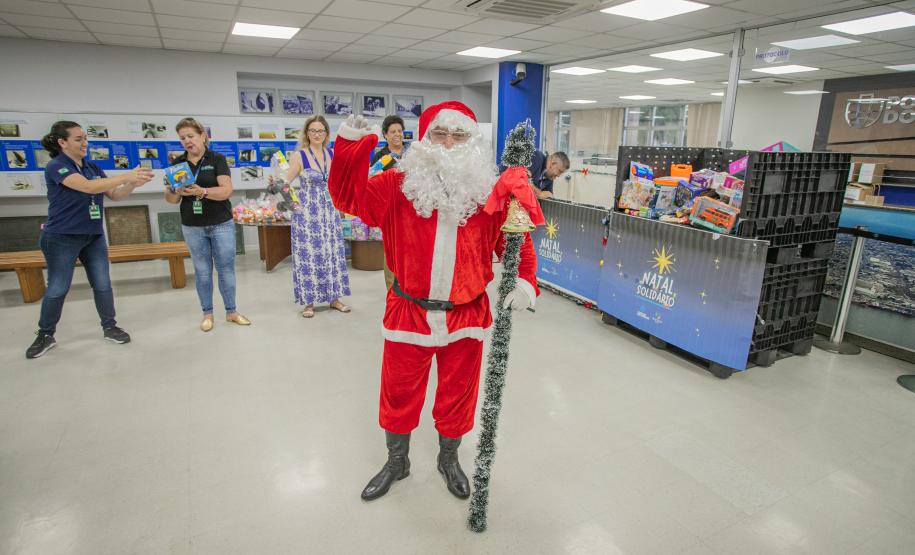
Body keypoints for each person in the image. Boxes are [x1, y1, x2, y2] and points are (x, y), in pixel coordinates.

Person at [328, 101, 539, 501]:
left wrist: (526, 282)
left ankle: (448, 459)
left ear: (472, 142)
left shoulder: (491, 196)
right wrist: (352, 146)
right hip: (409, 312)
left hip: (467, 316)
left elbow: (519, 243)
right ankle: (397, 461)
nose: (448, 144)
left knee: (458, 396)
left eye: (459, 136)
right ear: (424, 140)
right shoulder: (396, 186)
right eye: (439, 134)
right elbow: (346, 198)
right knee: (399, 394)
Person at [25, 121, 154, 359]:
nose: (84, 143)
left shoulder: (92, 167)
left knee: (103, 284)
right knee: (57, 288)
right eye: (78, 139)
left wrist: (132, 184)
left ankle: (110, 326)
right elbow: (87, 187)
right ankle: (45, 334)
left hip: (92, 235)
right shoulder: (56, 166)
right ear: (62, 142)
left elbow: (115, 195)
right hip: (61, 237)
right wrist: (126, 175)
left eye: (85, 138)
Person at [164, 117, 250, 332]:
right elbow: (172, 200)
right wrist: (174, 191)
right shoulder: (177, 164)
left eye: (190, 136)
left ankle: (231, 312)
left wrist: (202, 192)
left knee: (225, 269)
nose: (187, 141)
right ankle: (207, 314)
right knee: (202, 271)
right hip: (192, 225)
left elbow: (226, 191)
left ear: (203, 136)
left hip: (221, 223)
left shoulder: (217, 159)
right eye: (182, 138)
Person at [278, 115, 350, 318]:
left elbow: (340, 182)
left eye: (321, 130)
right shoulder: (299, 156)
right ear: (307, 133)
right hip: (308, 214)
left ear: (326, 133)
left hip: (330, 212)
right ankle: (308, 302)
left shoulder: (333, 154)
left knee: (332, 253)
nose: (317, 134)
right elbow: (285, 184)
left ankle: (334, 298)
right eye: (313, 131)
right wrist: (291, 203)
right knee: (308, 256)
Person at [371, 115, 408, 290]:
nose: (397, 134)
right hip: (391, 209)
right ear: (385, 135)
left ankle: (411, 287)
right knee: (392, 249)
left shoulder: (412, 152)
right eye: (392, 131)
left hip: (412, 208)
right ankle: (392, 290)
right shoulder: (380, 157)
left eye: (399, 131)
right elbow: (372, 181)